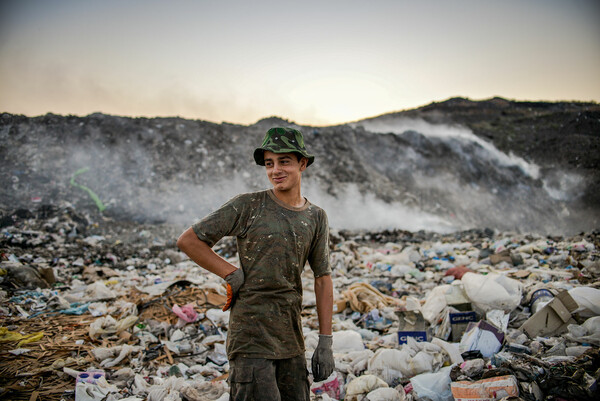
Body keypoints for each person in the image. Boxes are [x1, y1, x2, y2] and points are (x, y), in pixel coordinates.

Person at [177, 127, 334, 401]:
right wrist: (231, 274)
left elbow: (322, 278)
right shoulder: (248, 206)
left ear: (302, 163)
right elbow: (189, 240)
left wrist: (325, 341)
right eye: (269, 163)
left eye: (284, 161)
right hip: (250, 336)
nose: (275, 170)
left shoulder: (316, 217)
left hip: (291, 337)